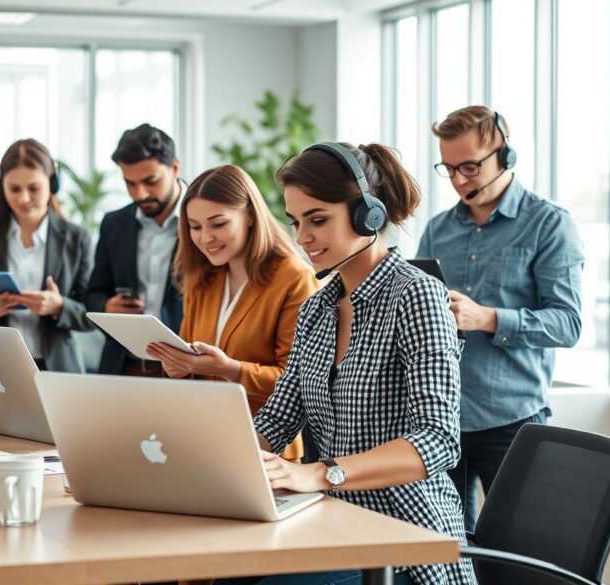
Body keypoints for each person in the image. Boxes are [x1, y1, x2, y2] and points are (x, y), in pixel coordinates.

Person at [243, 142, 473, 585]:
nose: (301, 238)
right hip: (332, 523)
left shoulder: (416, 296)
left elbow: (438, 439)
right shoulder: (317, 309)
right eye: (295, 222)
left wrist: (322, 473)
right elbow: (275, 422)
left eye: (317, 219)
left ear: (368, 215)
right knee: (228, 573)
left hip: (405, 539)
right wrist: (208, 463)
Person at [419, 105, 584, 531]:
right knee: (444, 547)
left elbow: (567, 324)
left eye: (470, 167)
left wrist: (489, 318)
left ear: (505, 158)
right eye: (449, 168)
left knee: (516, 547)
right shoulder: (438, 229)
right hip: (439, 417)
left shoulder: (549, 225)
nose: (458, 180)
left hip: (512, 419)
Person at [146, 165, 315, 462]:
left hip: (268, 452)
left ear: (250, 216)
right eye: (195, 227)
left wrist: (230, 369)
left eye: (218, 224)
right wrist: (178, 368)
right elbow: (190, 358)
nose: (205, 238)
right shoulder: (203, 277)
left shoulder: (293, 278)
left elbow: (300, 383)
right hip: (201, 444)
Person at [0, 138, 94, 372]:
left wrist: (59, 306)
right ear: (2, 187)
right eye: (14, 189)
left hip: (59, 370)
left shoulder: (77, 239)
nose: (24, 198)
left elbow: (92, 315)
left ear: (52, 184)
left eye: (33, 188)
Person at [86, 124, 187, 376]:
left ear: (174, 168)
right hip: (122, 368)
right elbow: (93, 294)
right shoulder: (113, 224)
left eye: (150, 181)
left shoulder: (203, 221)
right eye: (130, 183)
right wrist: (108, 305)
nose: (139, 193)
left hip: (185, 371)